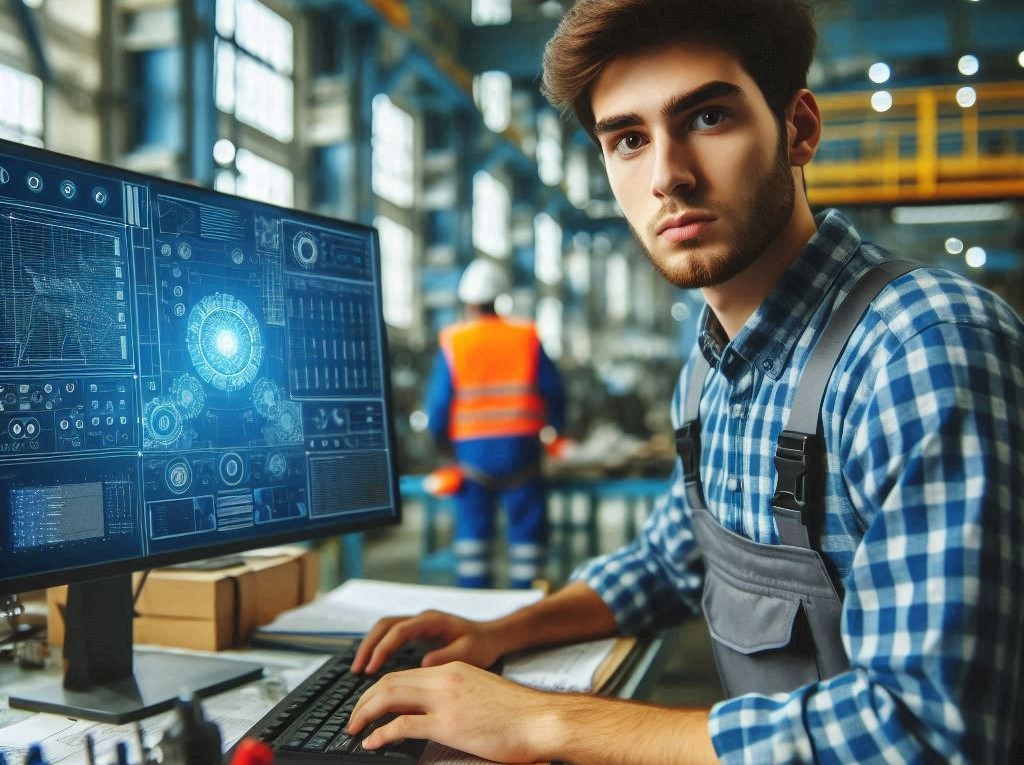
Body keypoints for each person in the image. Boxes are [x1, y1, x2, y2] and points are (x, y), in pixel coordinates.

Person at [346, 1, 1024, 762]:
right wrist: (503, 632)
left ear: (798, 128)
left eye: (706, 117)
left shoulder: (921, 349)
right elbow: (671, 559)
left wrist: (543, 723)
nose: (666, 175)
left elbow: (930, 734)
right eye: (628, 139)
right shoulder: (710, 366)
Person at [423, 257, 567, 589]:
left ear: (468, 302)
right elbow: (554, 391)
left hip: (472, 458)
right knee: (528, 540)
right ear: (500, 299)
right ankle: (526, 608)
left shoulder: (454, 341)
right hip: (523, 454)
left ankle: (475, 611)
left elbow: (439, 404)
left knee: (473, 541)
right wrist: (556, 430)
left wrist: (442, 446)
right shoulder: (526, 336)